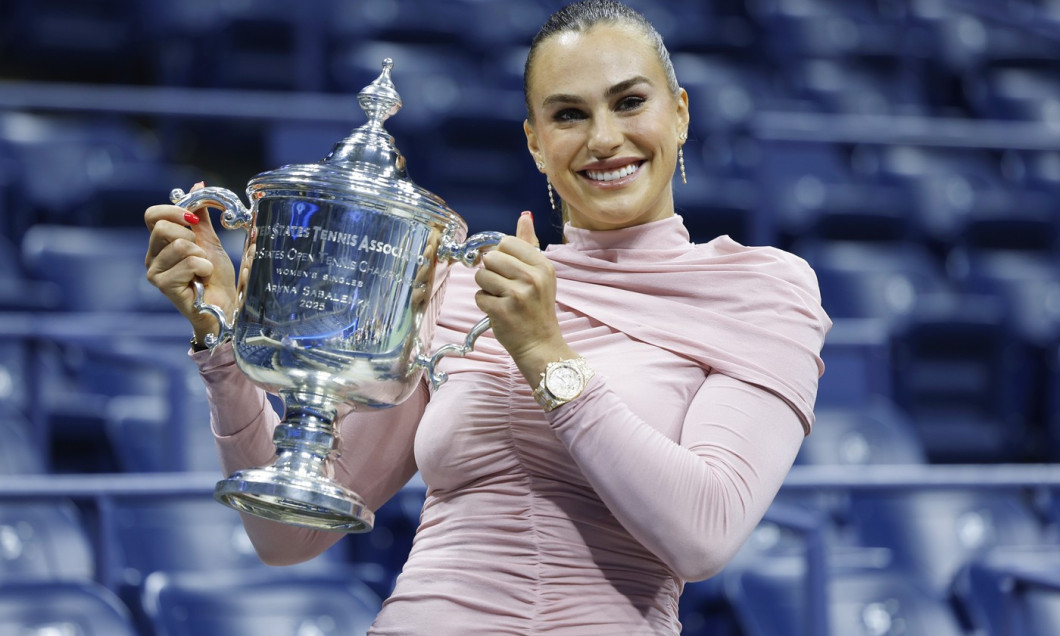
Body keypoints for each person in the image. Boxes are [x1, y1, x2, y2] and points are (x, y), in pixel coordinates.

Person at [144, 1, 831, 633]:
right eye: (568, 115)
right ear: (535, 142)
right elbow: (288, 535)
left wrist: (544, 352)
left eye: (629, 103)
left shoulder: (760, 290)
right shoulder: (468, 286)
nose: (603, 138)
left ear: (679, 113)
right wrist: (224, 341)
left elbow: (702, 535)